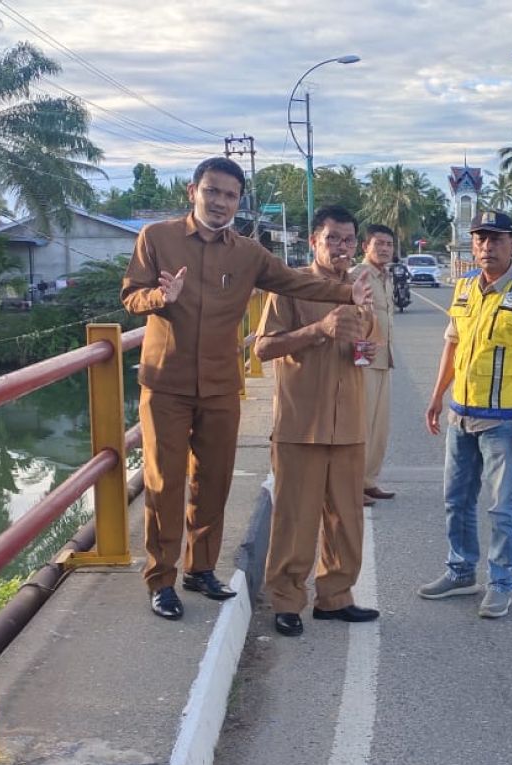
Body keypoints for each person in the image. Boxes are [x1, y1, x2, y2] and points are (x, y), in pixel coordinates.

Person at [121, 158, 372, 621]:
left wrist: (345, 295)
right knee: (164, 481)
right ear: (194, 191)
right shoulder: (157, 238)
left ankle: (200, 569)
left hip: (220, 383)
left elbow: (295, 280)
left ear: (239, 201)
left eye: (230, 195)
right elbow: (131, 296)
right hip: (166, 382)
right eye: (212, 192)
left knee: (213, 480)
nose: (220, 202)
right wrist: (161, 298)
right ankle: (162, 578)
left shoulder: (248, 254)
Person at [419, 210, 512, 619]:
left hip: (504, 420)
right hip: (461, 414)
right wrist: (437, 396)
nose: (487, 246)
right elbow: (452, 345)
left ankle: (500, 583)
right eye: (480, 239)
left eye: (496, 239)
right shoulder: (462, 288)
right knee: (456, 499)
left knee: (501, 506)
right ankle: (460, 571)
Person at [254, 205, 381, 638]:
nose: (341, 248)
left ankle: (336, 597)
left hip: (348, 424)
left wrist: (363, 343)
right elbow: (263, 348)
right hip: (300, 424)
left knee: (346, 519)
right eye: (332, 239)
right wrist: (319, 330)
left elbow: (372, 347)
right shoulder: (290, 288)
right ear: (314, 241)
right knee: (295, 519)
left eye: (348, 240)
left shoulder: (361, 288)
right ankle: (287, 601)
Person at [350, 224, 398, 506]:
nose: (384, 248)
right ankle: (352, 485)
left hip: (383, 359)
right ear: (365, 246)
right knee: (361, 425)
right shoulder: (357, 276)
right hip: (362, 360)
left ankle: (368, 481)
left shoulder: (386, 277)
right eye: (378, 243)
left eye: (389, 244)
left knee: (379, 427)